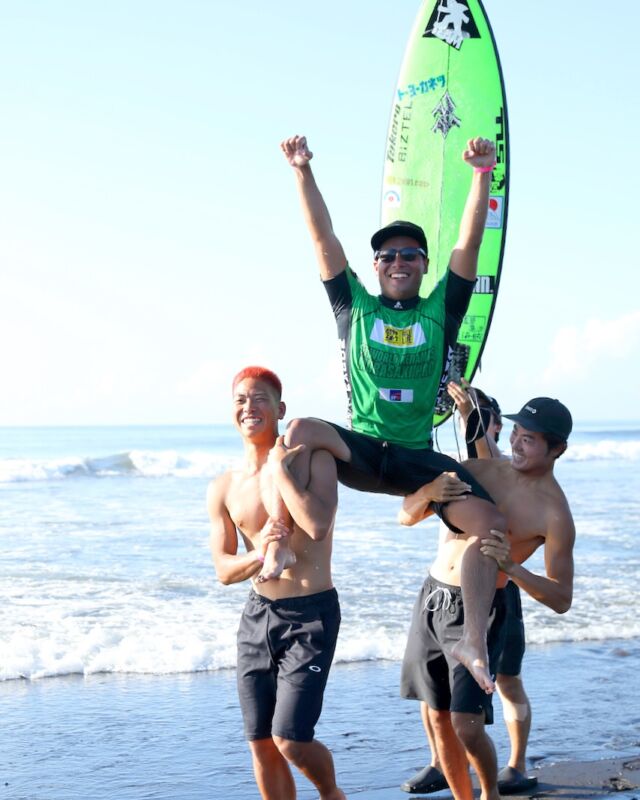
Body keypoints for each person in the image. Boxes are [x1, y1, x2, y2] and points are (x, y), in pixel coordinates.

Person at [271, 132, 506, 693]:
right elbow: (321, 237)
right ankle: (290, 537)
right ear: (376, 266)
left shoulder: (439, 312)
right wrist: (302, 170)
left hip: (416, 460)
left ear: (423, 266)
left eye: (410, 255)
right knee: (301, 430)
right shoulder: (354, 306)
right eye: (388, 255)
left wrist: (481, 176)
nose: (399, 261)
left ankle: (474, 640)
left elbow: (469, 248)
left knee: (492, 525)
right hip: (362, 451)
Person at [398, 396, 575, 800]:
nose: (515, 443)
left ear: (557, 449)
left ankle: (490, 793)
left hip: (479, 611)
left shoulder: (555, 514)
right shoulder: (479, 470)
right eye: (515, 432)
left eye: (528, 439)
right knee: (436, 712)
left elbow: (562, 597)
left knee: (466, 722)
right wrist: (427, 491)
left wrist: (513, 569)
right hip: (432, 597)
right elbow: (405, 515)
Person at [208, 365, 345, 800]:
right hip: (258, 616)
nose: (250, 407)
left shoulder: (310, 459)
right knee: (261, 742)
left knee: (291, 738)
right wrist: (257, 551)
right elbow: (224, 570)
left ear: (280, 409)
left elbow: (319, 525)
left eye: (260, 398)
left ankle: (331, 794)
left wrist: (282, 473)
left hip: (311, 615)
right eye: (241, 400)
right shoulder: (225, 487)